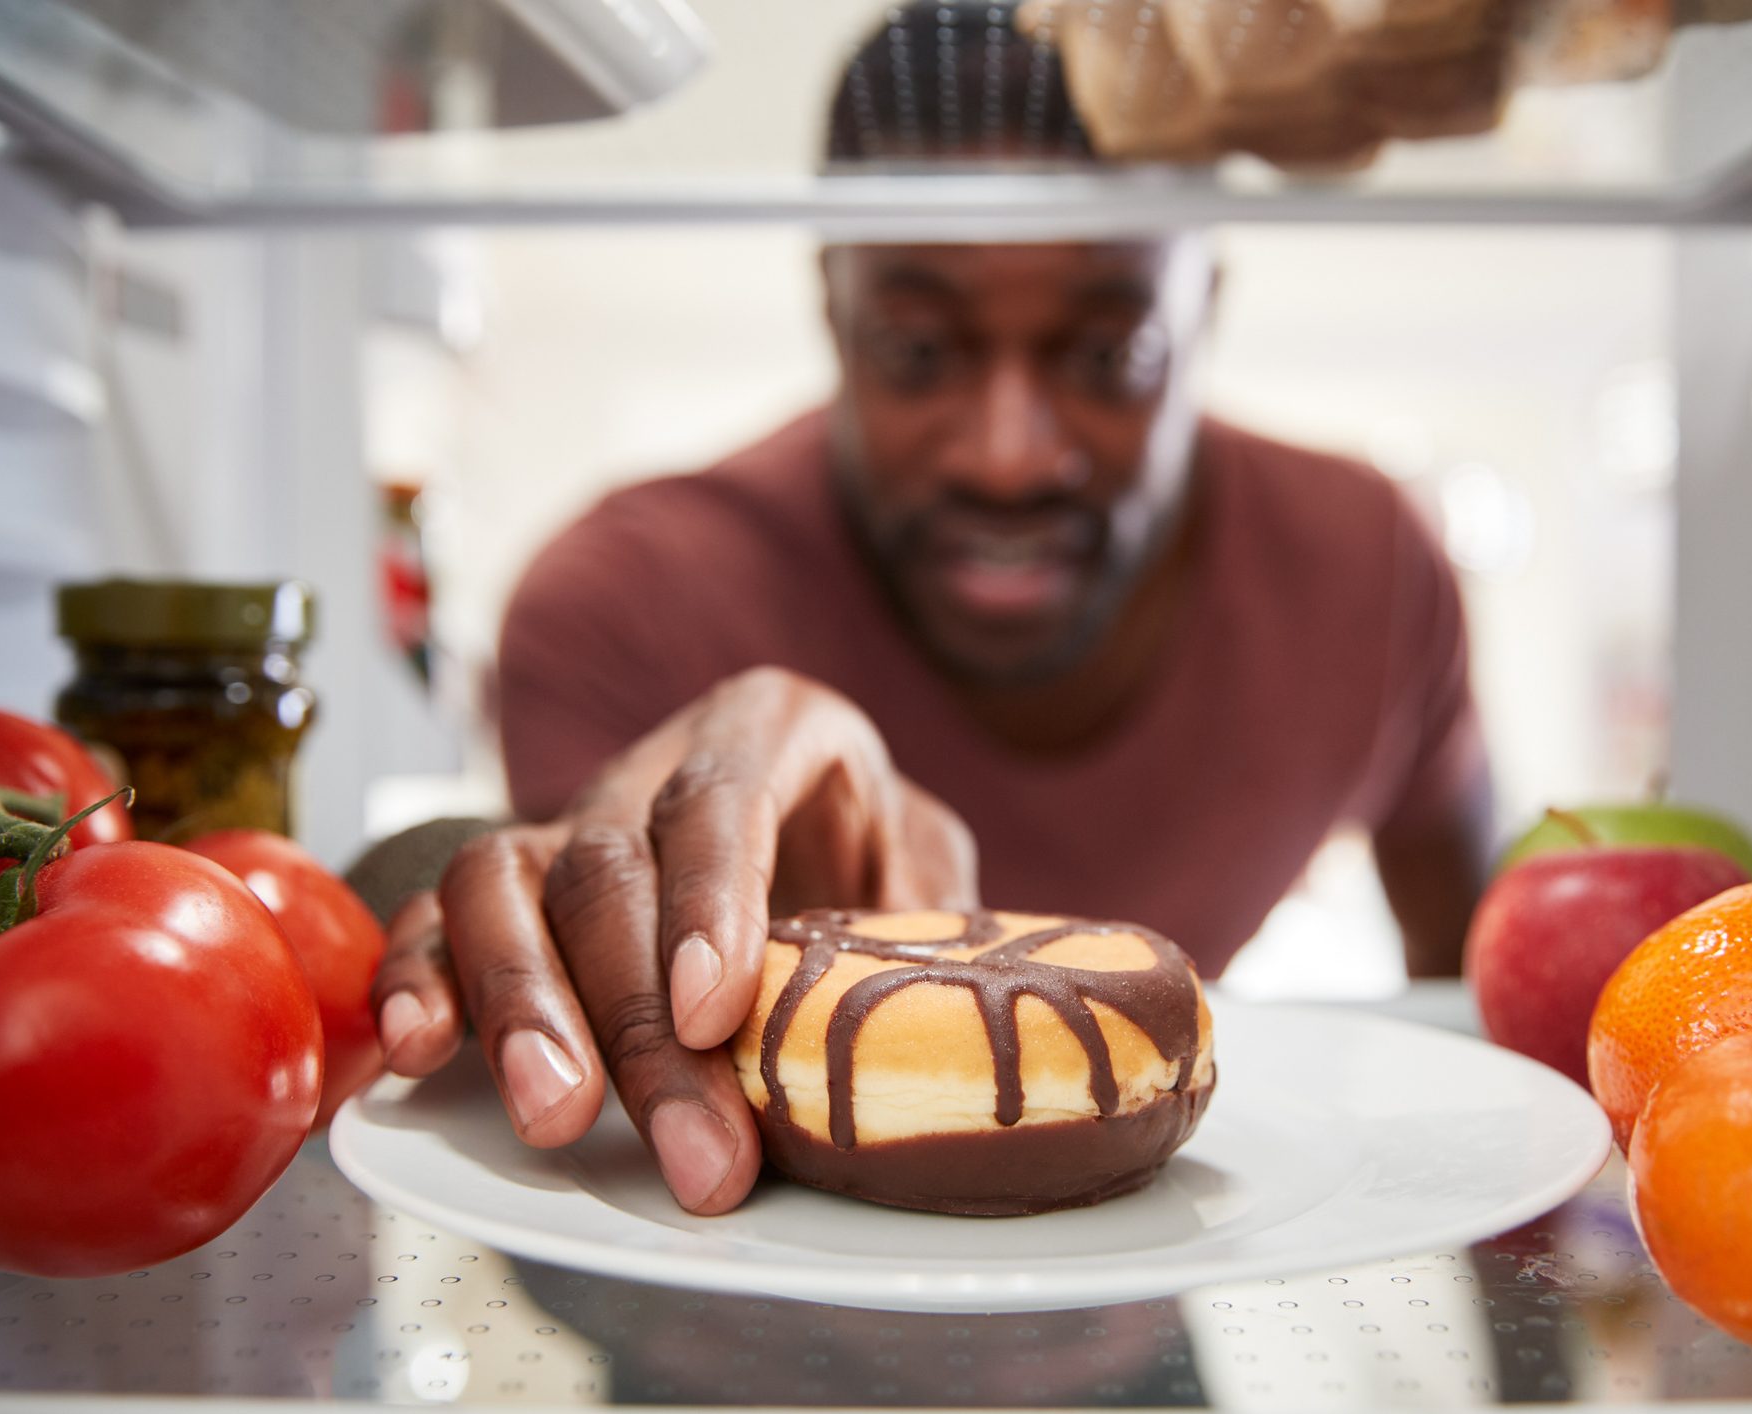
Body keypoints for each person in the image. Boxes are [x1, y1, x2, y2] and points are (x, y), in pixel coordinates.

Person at [367, 3, 1492, 1219]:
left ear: (1203, 310)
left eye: (1109, 356)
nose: (1008, 457)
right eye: (917, 351)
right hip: (721, 1325)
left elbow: (1481, 1012)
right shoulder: (626, 599)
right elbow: (532, 947)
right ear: (832, 309)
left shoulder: (1367, 576)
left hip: (1145, 1285)